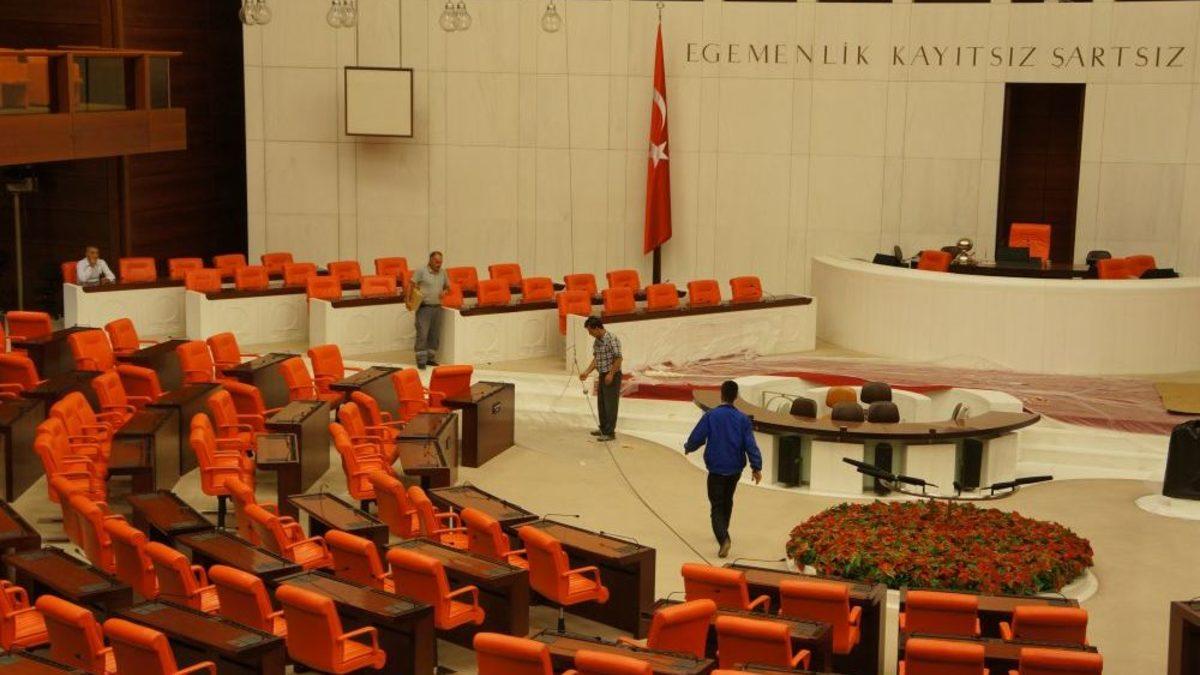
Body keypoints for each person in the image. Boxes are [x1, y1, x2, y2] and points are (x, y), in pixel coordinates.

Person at [684, 380, 762, 558]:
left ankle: (723, 538)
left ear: (721, 395)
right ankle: (723, 529)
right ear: (736, 397)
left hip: (716, 468)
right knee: (727, 500)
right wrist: (756, 467)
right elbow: (751, 445)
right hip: (735, 469)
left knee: (716, 505)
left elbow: (698, 436)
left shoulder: (711, 416)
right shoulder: (743, 419)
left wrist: (689, 446)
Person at [578, 316, 622, 442]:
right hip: (602, 374)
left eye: (590, 331)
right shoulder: (597, 341)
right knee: (602, 404)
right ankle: (603, 428)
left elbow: (619, 358)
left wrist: (611, 374)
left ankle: (610, 432)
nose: (590, 334)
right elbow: (596, 359)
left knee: (610, 404)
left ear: (597, 328)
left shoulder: (612, 339)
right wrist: (587, 372)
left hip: (612, 375)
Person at [409, 251, 450, 370]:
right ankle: (421, 360)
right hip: (424, 307)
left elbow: (447, 287)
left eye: (440, 262)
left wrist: (444, 292)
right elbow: (411, 285)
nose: (439, 264)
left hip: (437, 308)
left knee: (434, 335)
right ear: (430, 260)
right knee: (422, 333)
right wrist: (408, 300)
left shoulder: (443, 272)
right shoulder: (421, 271)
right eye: (437, 262)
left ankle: (430, 358)